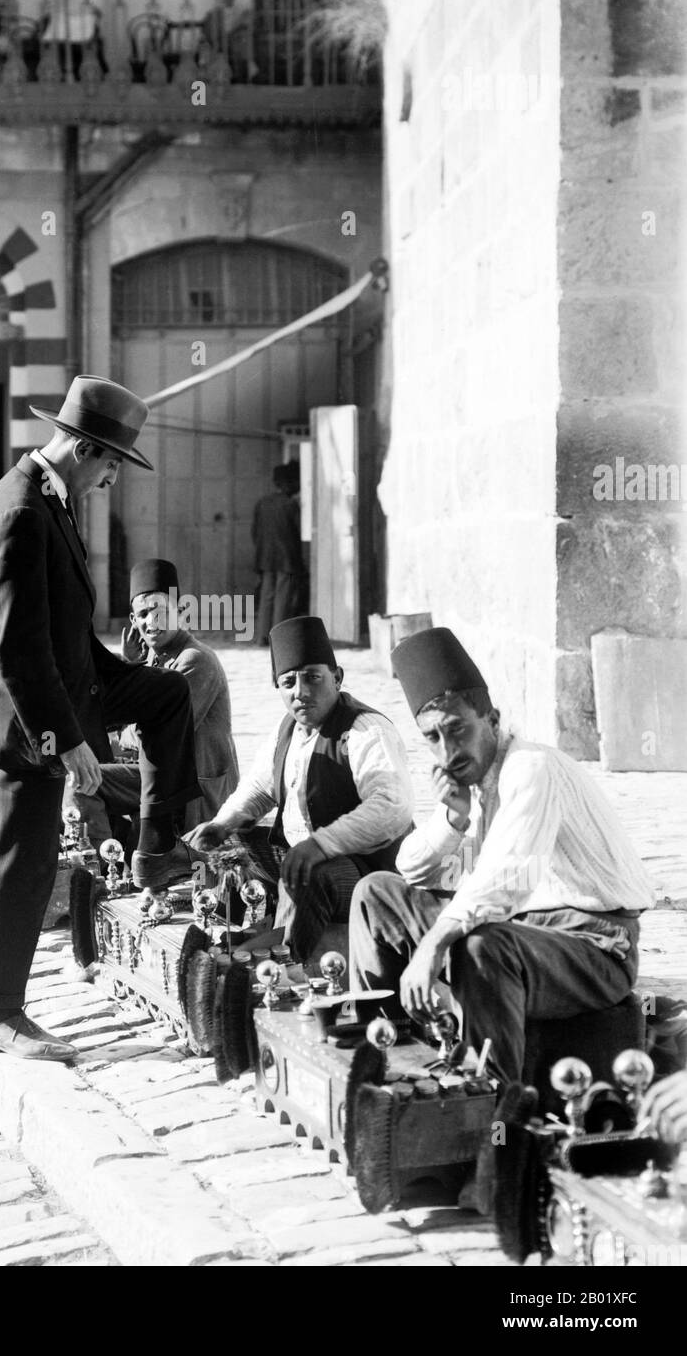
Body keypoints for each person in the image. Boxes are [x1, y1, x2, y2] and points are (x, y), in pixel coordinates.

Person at [0, 375, 201, 1061]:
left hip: (72, 685)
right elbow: (16, 645)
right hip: (29, 718)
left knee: (166, 695)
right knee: (23, 859)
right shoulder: (22, 513)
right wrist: (65, 742)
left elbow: (61, 629)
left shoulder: (45, 498)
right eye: (113, 467)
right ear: (87, 451)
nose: (112, 482)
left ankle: (157, 847)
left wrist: (119, 678)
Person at [347, 627, 657, 1088]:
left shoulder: (531, 767)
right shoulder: (470, 782)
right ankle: (384, 1049)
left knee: (481, 944)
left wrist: (433, 945)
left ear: (491, 719)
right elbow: (410, 869)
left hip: (597, 944)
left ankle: (492, 1102)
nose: (448, 751)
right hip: (525, 928)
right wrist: (450, 819)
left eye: (458, 729)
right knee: (376, 894)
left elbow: (508, 877)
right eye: (432, 737)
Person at [188, 616, 414, 965]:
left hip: (369, 872)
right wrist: (222, 824)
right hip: (304, 856)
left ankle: (286, 963)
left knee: (307, 873)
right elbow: (259, 789)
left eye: (313, 678)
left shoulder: (366, 730)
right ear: (277, 686)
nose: (301, 692)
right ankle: (232, 930)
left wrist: (320, 846)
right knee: (229, 844)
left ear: (337, 678)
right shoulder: (288, 730)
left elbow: (390, 808)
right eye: (288, 682)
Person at [75, 556, 240, 854]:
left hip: (192, 789)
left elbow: (149, 734)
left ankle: (99, 867)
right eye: (143, 614)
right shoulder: (153, 659)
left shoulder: (195, 660)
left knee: (83, 782)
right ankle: (116, 849)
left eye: (160, 611)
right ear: (133, 621)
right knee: (83, 765)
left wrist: (118, 728)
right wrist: (130, 666)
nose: (152, 622)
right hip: (161, 774)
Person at [252, 462, 306, 645]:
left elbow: (255, 531)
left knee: (267, 597)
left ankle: (261, 637)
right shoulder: (291, 505)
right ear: (290, 483)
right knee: (283, 598)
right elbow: (299, 533)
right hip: (287, 558)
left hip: (265, 558)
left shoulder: (262, 503)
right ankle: (278, 639)